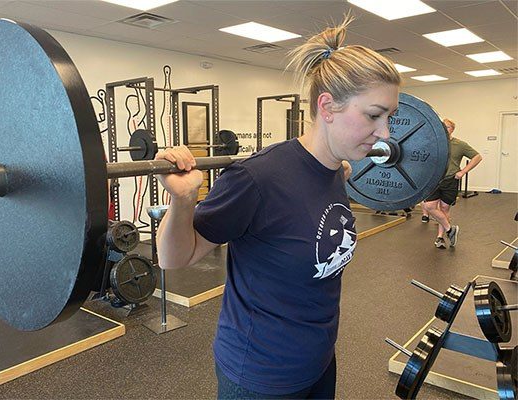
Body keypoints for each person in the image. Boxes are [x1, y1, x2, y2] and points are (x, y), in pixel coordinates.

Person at [155, 15, 400, 399]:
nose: (385, 132)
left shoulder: (337, 170)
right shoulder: (256, 179)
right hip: (260, 375)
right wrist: (183, 201)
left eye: (389, 117)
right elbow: (173, 257)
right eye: (373, 115)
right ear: (328, 106)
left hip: (318, 361)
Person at [422, 118, 482, 249]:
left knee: (444, 209)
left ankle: (440, 238)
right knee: (429, 206)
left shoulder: (460, 144)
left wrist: (463, 171)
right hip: (434, 180)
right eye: (442, 126)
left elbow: (477, 157)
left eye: (447, 127)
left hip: (450, 180)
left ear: (452, 129)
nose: (444, 129)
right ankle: (450, 229)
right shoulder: (434, 143)